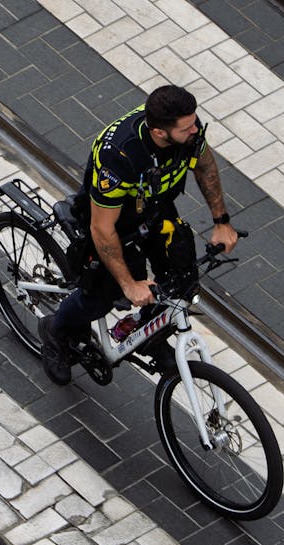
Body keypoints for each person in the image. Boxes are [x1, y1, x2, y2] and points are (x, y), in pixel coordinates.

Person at [39, 85, 238, 385]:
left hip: (155, 210)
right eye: (187, 128)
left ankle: (151, 337)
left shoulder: (187, 133)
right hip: (113, 223)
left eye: (195, 122)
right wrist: (129, 285)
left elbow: (205, 166)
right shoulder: (120, 156)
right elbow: (101, 228)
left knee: (180, 282)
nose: (196, 130)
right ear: (160, 133)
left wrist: (221, 221)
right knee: (102, 297)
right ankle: (56, 332)